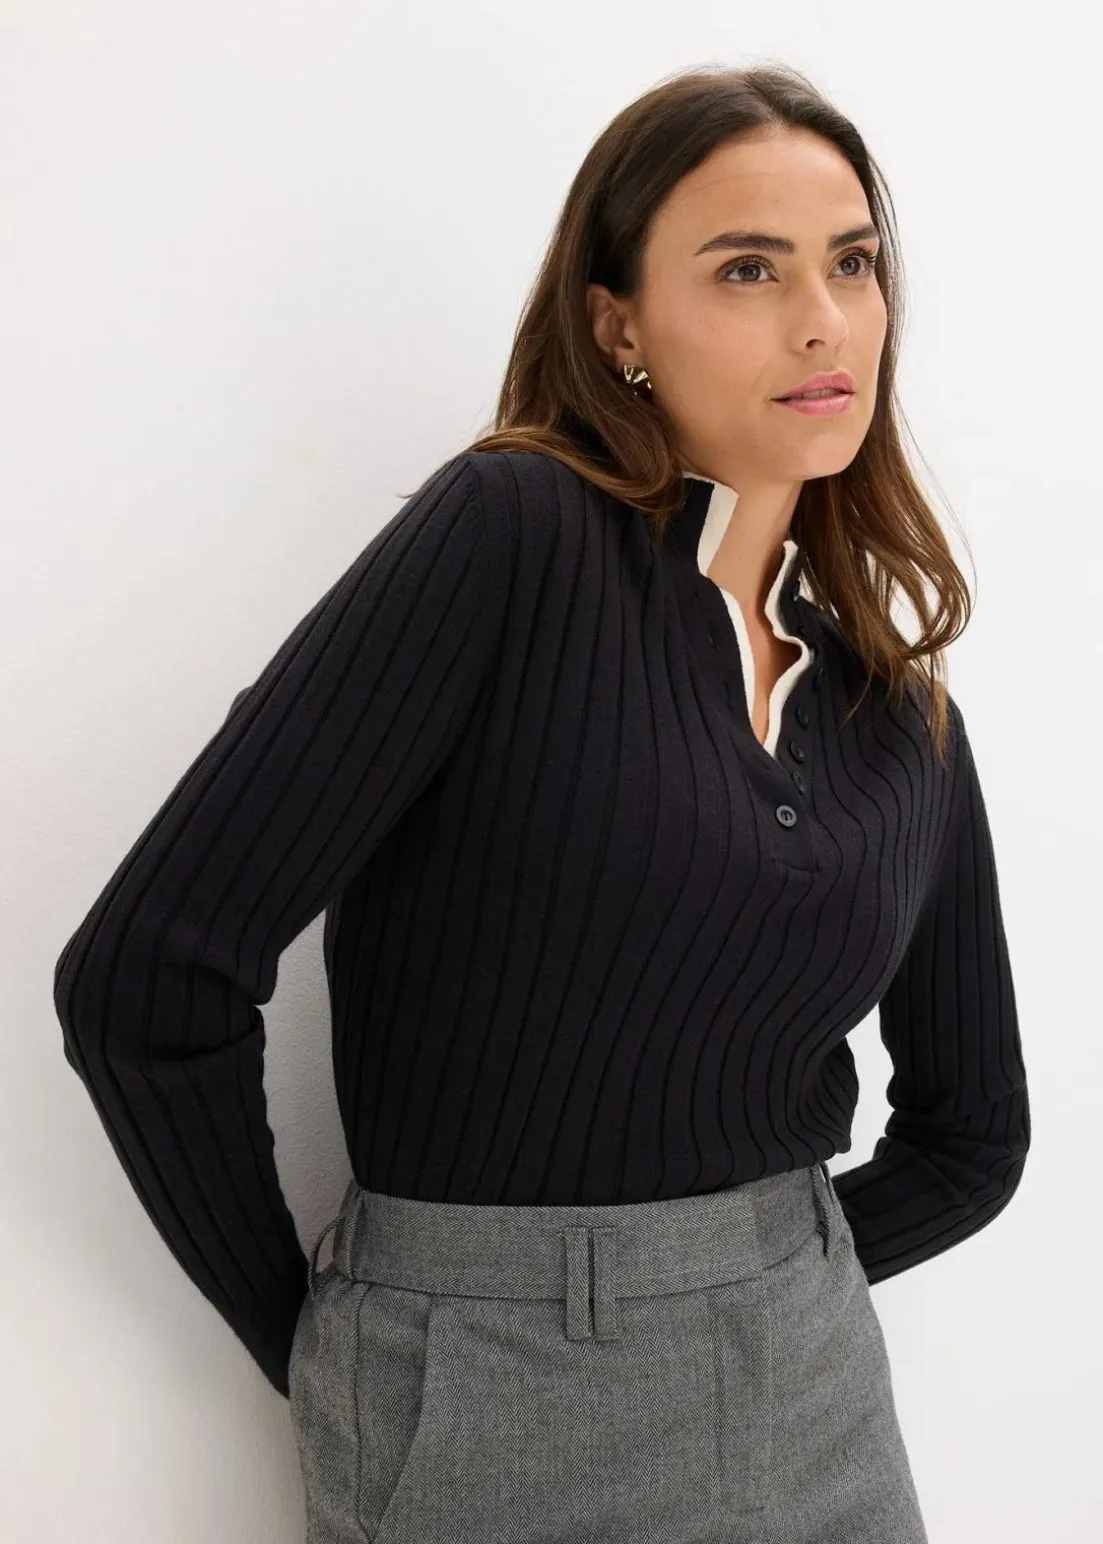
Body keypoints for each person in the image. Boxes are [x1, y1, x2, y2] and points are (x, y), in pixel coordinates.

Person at [53, 61, 1029, 1544]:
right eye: (747, 269)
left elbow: (974, 1136)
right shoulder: (513, 538)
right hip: (484, 1399)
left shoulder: (895, 710)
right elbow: (146, 977)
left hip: (820, 1402)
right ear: (617, 324)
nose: (823, 319)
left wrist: (757, 1283)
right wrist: (330, 1345)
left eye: (851, 263)